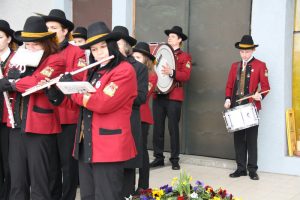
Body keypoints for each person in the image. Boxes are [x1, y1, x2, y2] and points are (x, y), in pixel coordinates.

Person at [48, 21, 138, 200]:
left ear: (112, 46)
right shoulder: (93, 71)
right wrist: (58, 92)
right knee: (88, 196)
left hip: (108, 146)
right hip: (86, 144)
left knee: (106, 196)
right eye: (94, 50)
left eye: (102, 47)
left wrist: (74, 89)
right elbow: (78, 105)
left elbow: (102, 103)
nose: (98, 53)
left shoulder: (124, 70)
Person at [0, 16, 65, 199]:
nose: (30, 47)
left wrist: (13, 83)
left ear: (46, 42)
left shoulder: (55, 60)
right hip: (16, 126)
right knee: (17, 181)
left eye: (35, 44)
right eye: (27, 44)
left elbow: (36, 83)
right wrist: (10, 81)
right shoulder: (19, 57)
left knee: (40, 181)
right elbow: (6, 79)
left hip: (40, 129)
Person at [42, 9, 86, 200]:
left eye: (54, 28)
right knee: (50, 164)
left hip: (68, 115)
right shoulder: (43, 50)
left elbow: (79, 80)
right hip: (46, 115)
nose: (50, 31)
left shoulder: (76, 52)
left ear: (64, 30)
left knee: (68, 165)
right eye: (47, 28)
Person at [224, 35, 270, 180]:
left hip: (251, 107)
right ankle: (240, 168)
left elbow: (266, 87)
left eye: (247, 51)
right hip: (236, 105)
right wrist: (227, 99)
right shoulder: (234, 66)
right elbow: (230, 85)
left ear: (253, 50)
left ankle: (252, 169)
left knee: (251, 139)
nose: (244, 54)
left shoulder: (260, 65)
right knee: (238, 138)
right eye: (242, 52)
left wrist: (260, 96)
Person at [112, 26, 148, 197]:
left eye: (117, 43)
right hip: (108, 126)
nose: (113, 47)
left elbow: (141, 98)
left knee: (127, 170)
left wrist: (116, 96)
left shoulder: (138, 68)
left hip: (128, 123)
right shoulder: (106, 66)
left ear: (126, 46)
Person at [150, 26, 192, 170]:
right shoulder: (160, 53)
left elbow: (186, 76)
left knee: (173, 128)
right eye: (169, 36)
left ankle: (174, 159)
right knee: (158, 128)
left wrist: (171, 72)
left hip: (174, 96)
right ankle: (158, 157)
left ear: (180, 40)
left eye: (173, 36)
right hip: (158, 95)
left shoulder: (185, 57)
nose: (170, 38)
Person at [0, 19, 22, 200]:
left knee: (10, 164)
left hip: (10, 117)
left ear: (8, 39)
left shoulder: (18, 58)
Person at [132, 42, 158, 191]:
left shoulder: (152, 76)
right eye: (133, 56)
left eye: (138, 57)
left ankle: (143, 185)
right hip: (130, 115)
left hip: (142, 117)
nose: (134, 60)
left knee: (141, 151)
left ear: (146, 60)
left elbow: (142, 95)